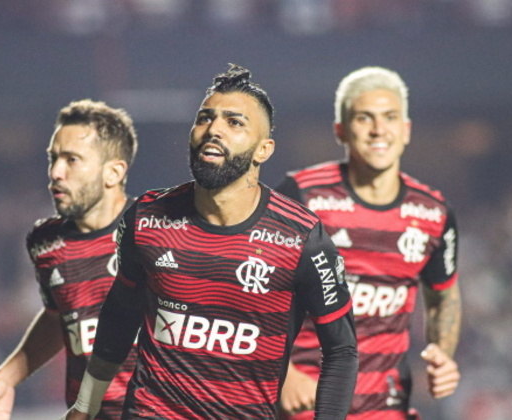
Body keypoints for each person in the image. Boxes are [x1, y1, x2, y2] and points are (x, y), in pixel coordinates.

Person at [62, 64, 358, 420]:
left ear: (264, 150)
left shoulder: (303, 238)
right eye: (205, 118)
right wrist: (85, 406)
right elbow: (120, 315)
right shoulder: (146, 217)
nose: (214, 129)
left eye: (234, 122)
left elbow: (341, 350)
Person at [277, 67, 462, 419]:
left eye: (390, 117)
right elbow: (253, 288)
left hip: (386, 406)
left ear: (406, 130)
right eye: (365, 118)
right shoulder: (302, 194)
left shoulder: (434, 213)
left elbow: (444, 295)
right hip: (309, 402)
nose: (379, 130)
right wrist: (284, 373)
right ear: (341, 131)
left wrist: (443, 353)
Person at [0, 99, 139, 420]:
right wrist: (6, 378)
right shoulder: (47, 242)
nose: (56, 172)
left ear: (114, 172)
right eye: (53, 158)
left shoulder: (160, 232)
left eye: (72, 160)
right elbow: (58, 316)